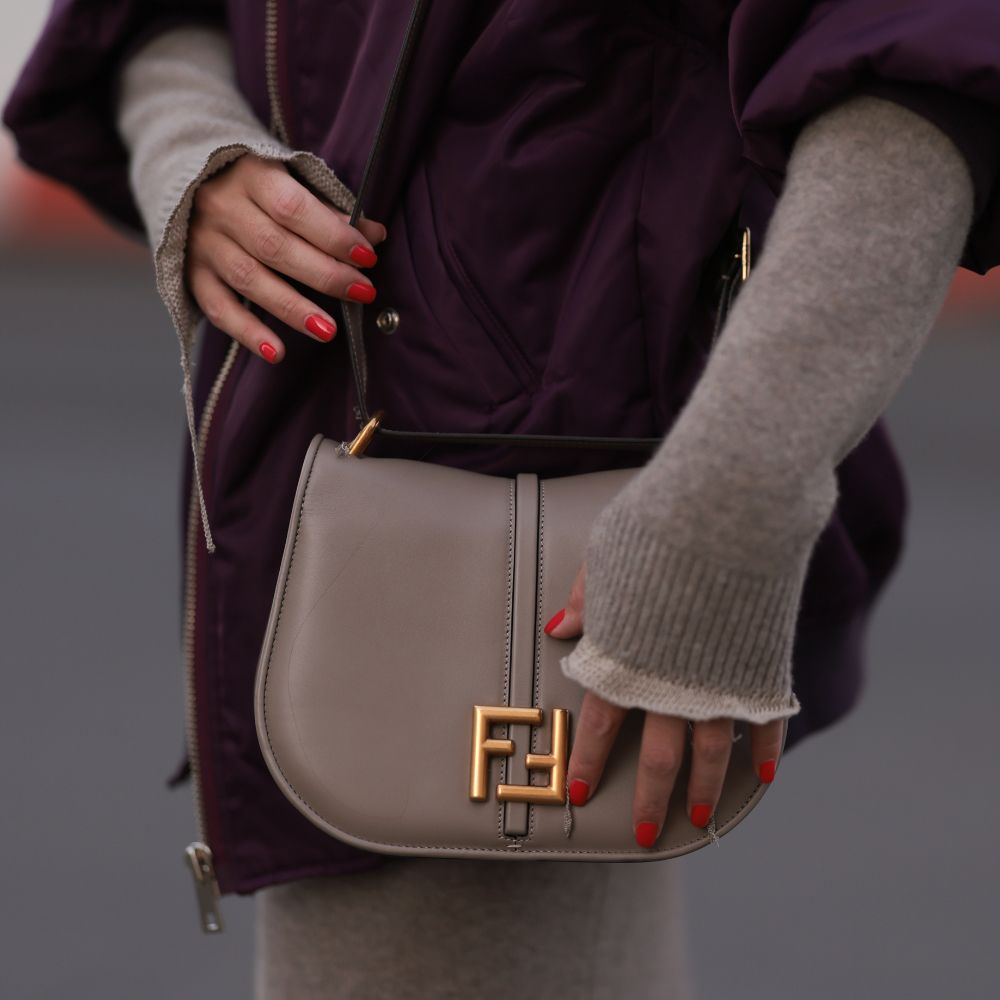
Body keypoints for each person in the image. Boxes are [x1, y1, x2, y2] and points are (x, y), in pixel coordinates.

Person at [5, 2, 999, 996]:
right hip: (318, 509)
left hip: (557, 565)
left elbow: (910, 72)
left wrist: (719, 510)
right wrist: (192, 144)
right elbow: (149, 19)